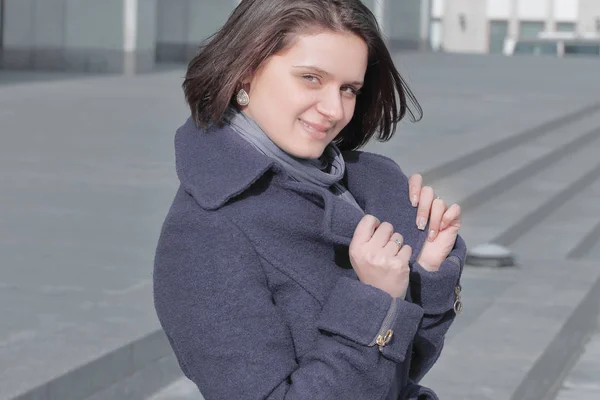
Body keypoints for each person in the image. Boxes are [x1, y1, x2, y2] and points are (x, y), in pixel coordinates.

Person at [153, 0, 466, 399]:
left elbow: (395, 375)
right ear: (246, 71)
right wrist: (376, 300)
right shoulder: (204, 234)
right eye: (311, 78)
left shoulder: (362, 185)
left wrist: (427, 270)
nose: (334, 110)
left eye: (349, 89)